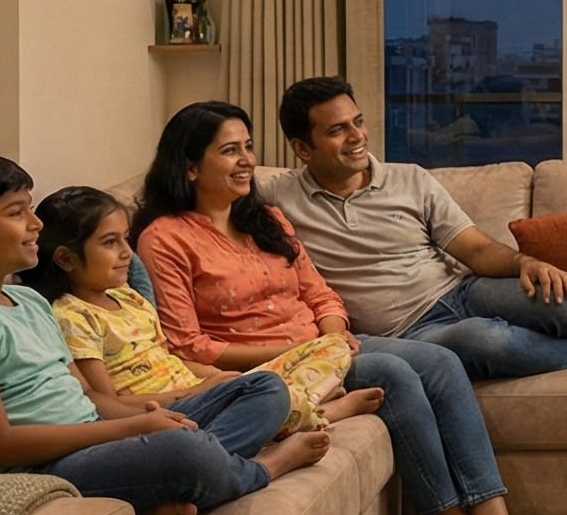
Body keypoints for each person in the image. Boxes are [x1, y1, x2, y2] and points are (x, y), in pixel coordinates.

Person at [132, 101, 539, 515]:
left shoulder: (266, 219)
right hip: (268, 369)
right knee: (394, 373)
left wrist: (330, 333)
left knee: (442, 362)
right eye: (230, 151)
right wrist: (304, 349)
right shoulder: (164, 239)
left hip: (324, 347)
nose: (247, 160)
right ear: (190, 167)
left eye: (248, 147)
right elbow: (188, 345)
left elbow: (320, 293)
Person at [0, 154, 325, 515]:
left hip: (94, 439)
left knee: (263, 388)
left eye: (30, 208)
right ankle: (263, 467)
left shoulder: (29, 301)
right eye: (16, 213)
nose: (36, 224)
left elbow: (89, 398)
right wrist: (134, 429)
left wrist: (158, 412)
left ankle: (155, 488)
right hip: (37, 472)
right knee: (183, 450)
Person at [260, 76, 567, 381]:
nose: (357, 136)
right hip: (408, 331)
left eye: (357, 122)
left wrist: (526, 263)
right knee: (488, 340)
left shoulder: (410, 178)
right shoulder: (279, 196)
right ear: (302, 148)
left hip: (462, 290)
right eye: (337, 130)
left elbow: (474, 249)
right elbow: (226, 182)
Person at [23, 184, 381, 435]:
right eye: (109, 242)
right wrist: (195, 393)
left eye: (125, 239)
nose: (126, 253)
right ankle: (320, 410)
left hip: (198, 387)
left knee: (329, 348)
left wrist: (216, 378)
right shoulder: (72, 316)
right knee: (264, 397)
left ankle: (295, 404)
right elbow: (107, 401)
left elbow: (170, 356)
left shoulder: (130, 298)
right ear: (66, 259)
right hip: (169, 406)